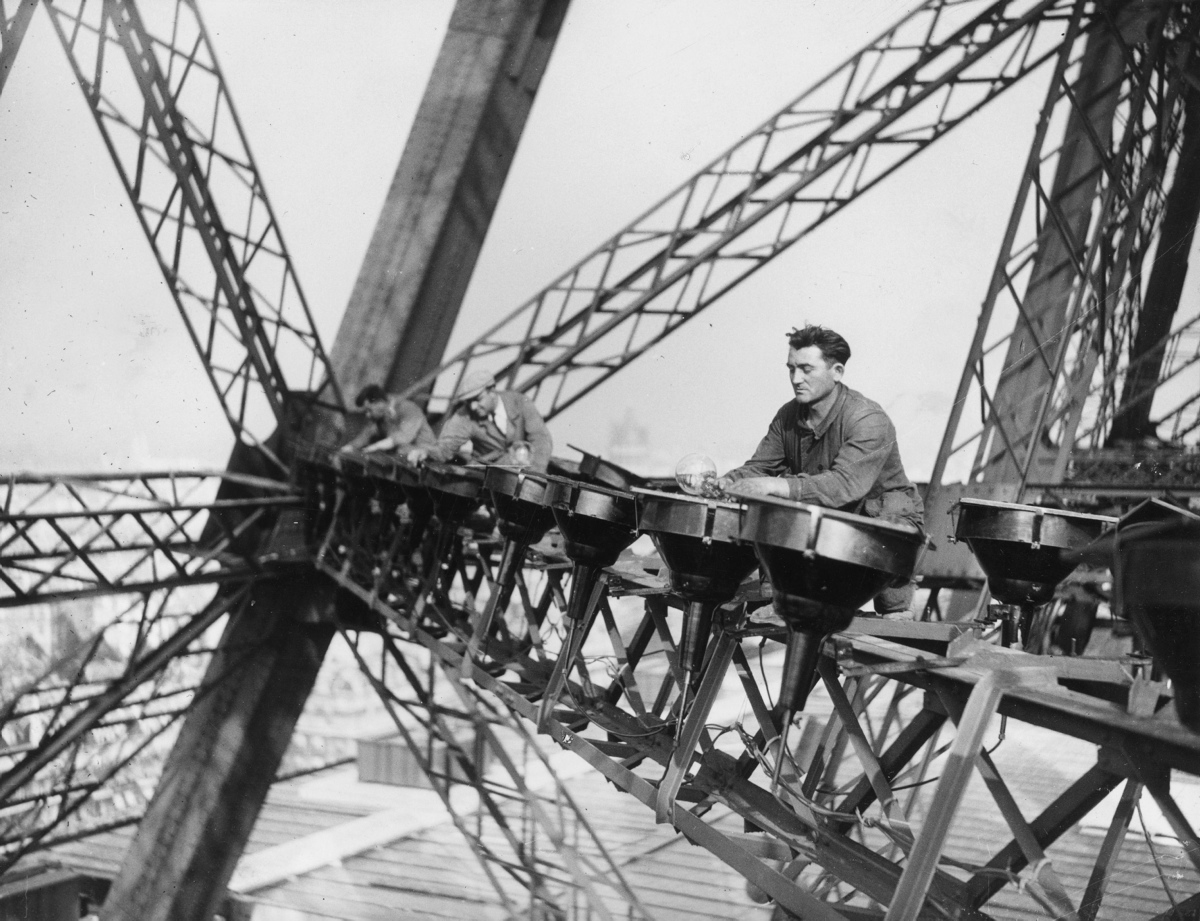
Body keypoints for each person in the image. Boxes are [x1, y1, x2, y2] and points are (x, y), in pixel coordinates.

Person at [718, 325, 923, 614]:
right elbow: (759, 468)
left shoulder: (868, 419)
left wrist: (778, 486)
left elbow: (843, 485)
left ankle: (889, 610)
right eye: (791, 369)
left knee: (884, 633)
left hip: (882, 537)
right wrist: (725, 482)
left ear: (837, 371)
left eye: (806, 369)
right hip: (832, 531)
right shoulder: (788, 416)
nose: (795, 379)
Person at [424, 369, 553, 471]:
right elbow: (445, 448)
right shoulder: (465, 415)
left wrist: (535, 473)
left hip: (524, 474)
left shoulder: (520, 403)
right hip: (486, 478)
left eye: (478, 399)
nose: (473, 407)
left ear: (492, 390)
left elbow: (541, 438)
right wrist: (425, 452)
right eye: (469, 402)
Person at [339, 384, 438, 463]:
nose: (367, 415)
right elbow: (366, 434)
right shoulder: (380, 416)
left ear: (380, 403)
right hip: (403, 458)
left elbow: (402, 438)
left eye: (369, 410)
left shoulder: (409, 409)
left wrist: (373, 448)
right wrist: (350, 447)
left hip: (426, 457)